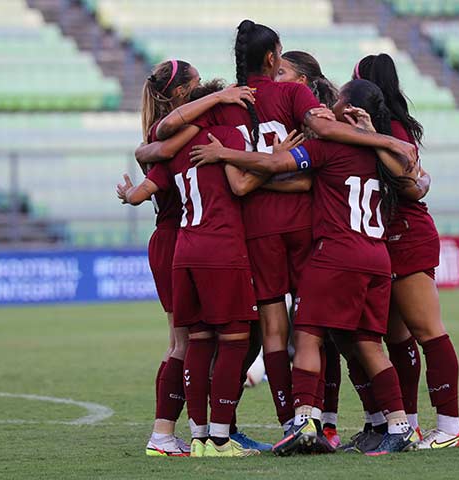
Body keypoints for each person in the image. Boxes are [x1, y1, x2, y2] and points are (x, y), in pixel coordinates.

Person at [154, 20, 418, 439]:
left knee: (274, 333)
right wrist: (386, 141)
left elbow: (164, 136)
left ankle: (290, 426)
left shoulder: (225, 105)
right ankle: (333, 423)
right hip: (306, 224)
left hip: (256, 227)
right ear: (273, 57)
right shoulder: (296, 93)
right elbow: (326, 131)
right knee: (323, 330)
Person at [135, 60, 256, 456]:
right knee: (185, 345)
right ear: (187, 94)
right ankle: (170, 433)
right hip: (191, 241)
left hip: (180, 242)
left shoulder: (165, 137)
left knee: (190, 343)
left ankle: (193, 432)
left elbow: (152, 155)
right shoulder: (191, 135)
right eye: (200, 85)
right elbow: (237, 184)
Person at [354, 53, 459, 449]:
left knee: (428, 333)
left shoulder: (390, 127)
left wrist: (418, 180)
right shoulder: (384, 125)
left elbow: (407, 181)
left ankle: (450, 428)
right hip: (388, 237)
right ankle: (410, 425)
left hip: (408, 235)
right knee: (397, 339)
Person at [275, 50, 343, 448]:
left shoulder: (316, 122)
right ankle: (312, 421)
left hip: (315, 237)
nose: (275, 78)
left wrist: (262, 171)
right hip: (293, 234)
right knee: (310, 333)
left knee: (315, 333)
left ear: (301, 81)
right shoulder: (291, 117)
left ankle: (318, 421)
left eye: (282, 72)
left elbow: (314, 180)